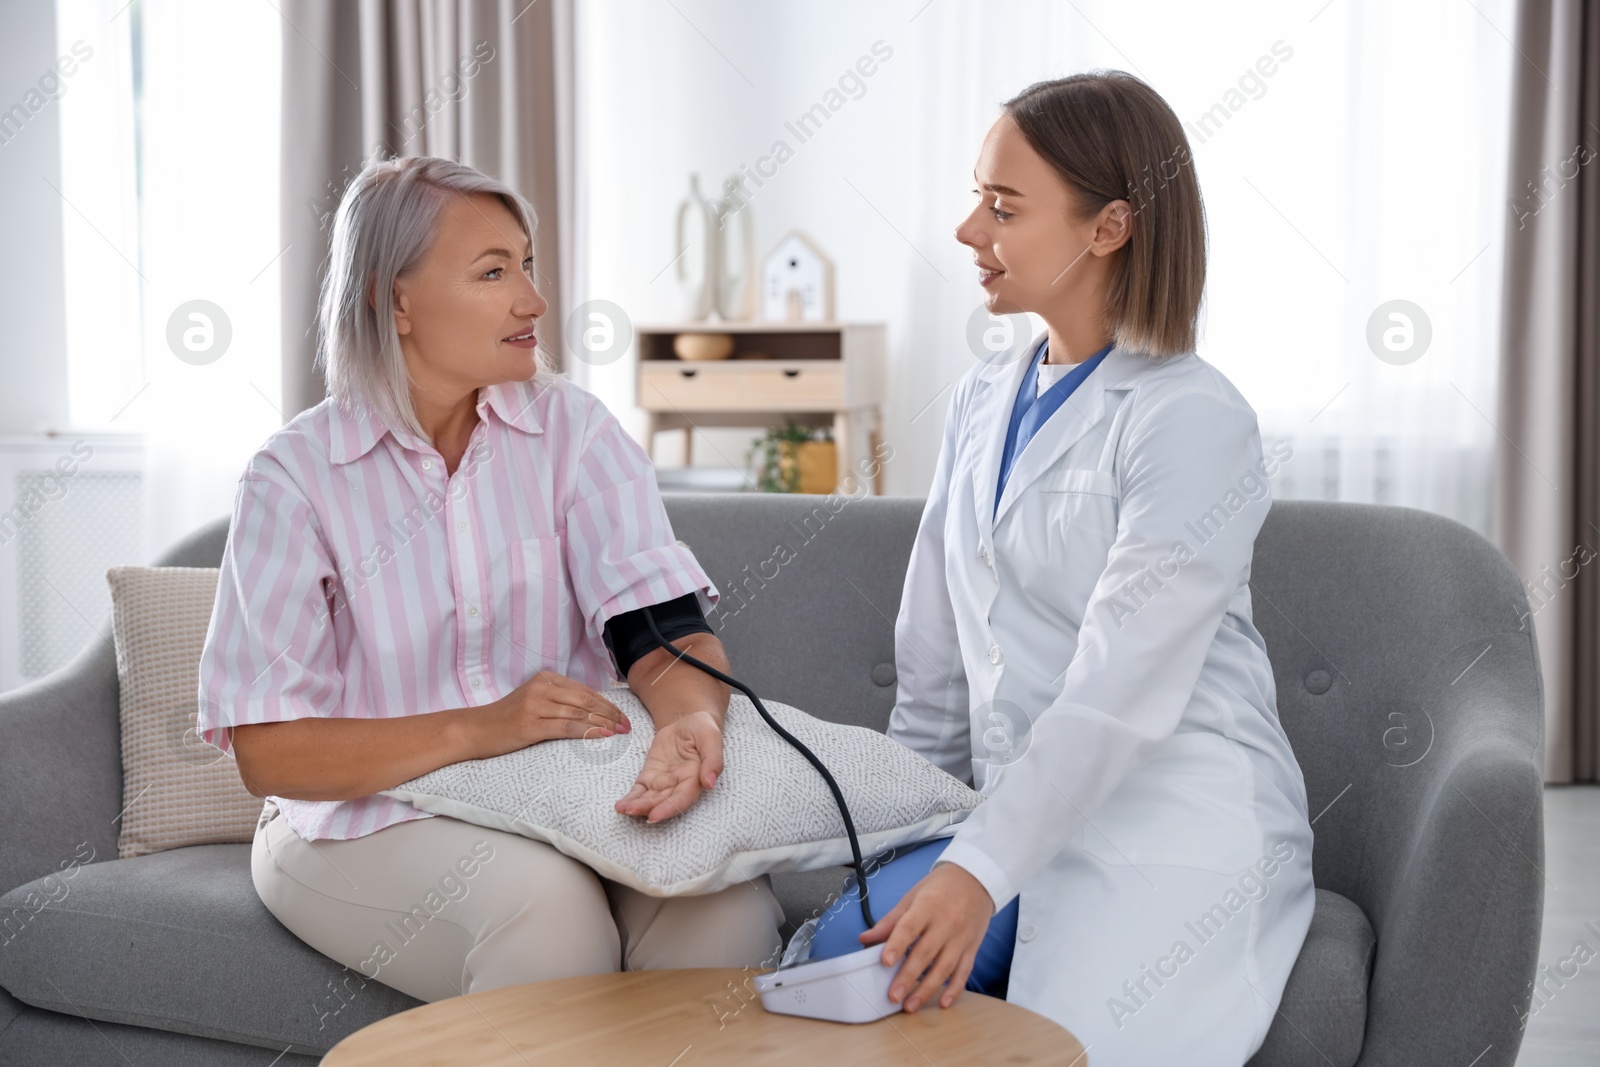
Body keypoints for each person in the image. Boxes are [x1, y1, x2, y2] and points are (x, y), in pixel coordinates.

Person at [805, 71, 1314, 1065]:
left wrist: (975, 873)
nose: (966, 231)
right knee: (841, 971)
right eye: (974, 198)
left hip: (1165, 813)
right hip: (1008, 810)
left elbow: (1121, 689)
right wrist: (912, 844)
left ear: (1108, 226)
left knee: (1080, 1039)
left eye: (1001, 207)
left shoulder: (1190, 418)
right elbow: (937, 657)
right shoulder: (981, 399)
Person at [197, 156, 783, 1004]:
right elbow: (270, 749)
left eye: (528, 265)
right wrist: (485, 726)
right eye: (493, 272)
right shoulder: (294, 477)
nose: (534, 301)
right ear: (393, 298)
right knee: (550, 914)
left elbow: (660, 631)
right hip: (364, 816)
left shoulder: (573, 433)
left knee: (721, 909)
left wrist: (689, 719)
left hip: (565, 792)